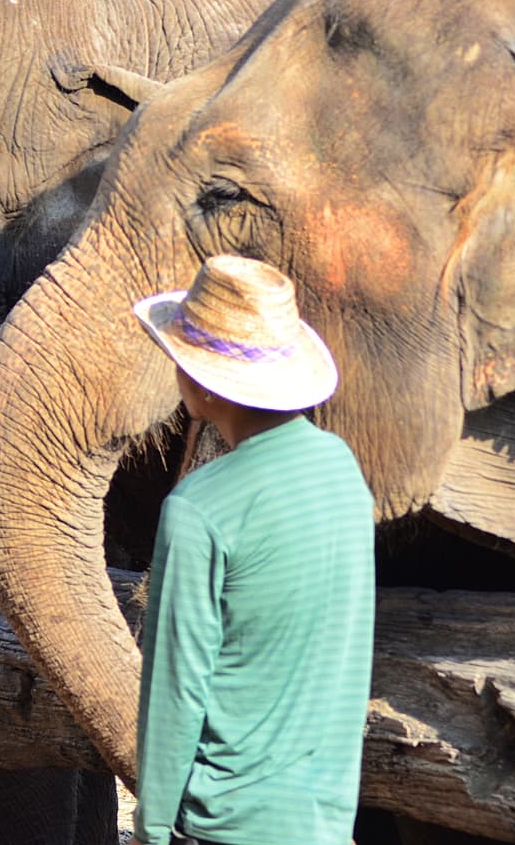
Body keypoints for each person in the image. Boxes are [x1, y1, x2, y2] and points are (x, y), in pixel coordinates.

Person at [130, 254, 375, 844]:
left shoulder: (198, 508)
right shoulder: (342, 472)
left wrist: (153, 826)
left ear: (196, 377)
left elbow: (175, 689)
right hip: (325, 818)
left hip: (228, 823)